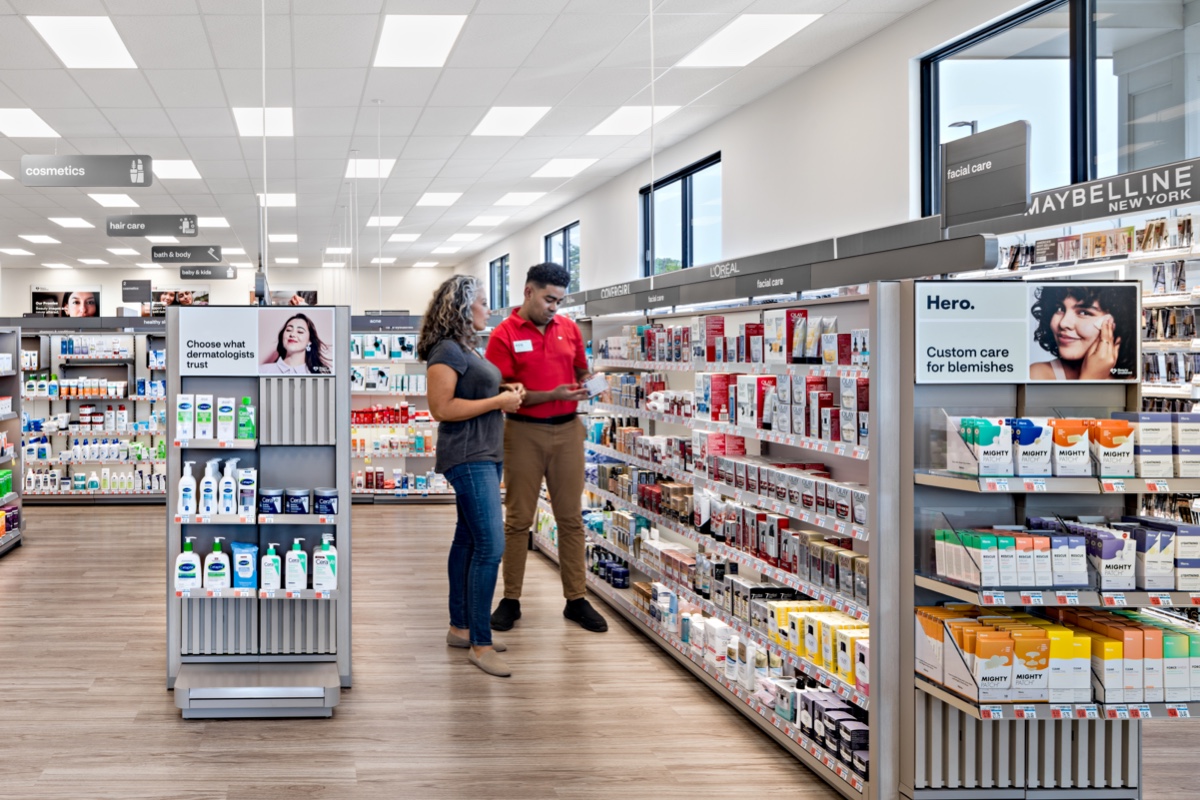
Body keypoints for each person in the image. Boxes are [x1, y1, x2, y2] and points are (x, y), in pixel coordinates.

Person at [485, 262, 608, 634]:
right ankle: (511, 599)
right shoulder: (504, 335)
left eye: (559, 300)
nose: (554, 307)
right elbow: (501, 391)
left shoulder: (568, 329)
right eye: (549, 299)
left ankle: (576, 599)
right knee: (518, 519)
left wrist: (591, 382)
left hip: (568, 431)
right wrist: (548, 395)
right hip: (523, 433)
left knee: (570, 518)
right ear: (528, 292)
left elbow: (581, 370)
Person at [420, 274, 525, 677]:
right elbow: (442, 408)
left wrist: (503, 390)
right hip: (468, 457)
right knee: (491, 547)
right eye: (482, 302)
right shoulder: (446, 350)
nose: (488, 309)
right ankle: (480, 645)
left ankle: (459, 627)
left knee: (467, 540)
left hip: (486, 454)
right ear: (463, 308)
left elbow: (476, 394)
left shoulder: (468, 347)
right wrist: (499, 400)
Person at [1029, 284, 1137, 381]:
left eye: (1084, 312)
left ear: (1118, 322)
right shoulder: (1038, 374)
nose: (1063, 323)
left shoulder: (1133, 377)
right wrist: (1090, 379)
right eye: (1060, 308)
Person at [261, 313, 331, 374]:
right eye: (288, 330)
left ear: (309, 341)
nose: (292, 334)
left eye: (300, 331)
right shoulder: (263, 370)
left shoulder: (318, 374)